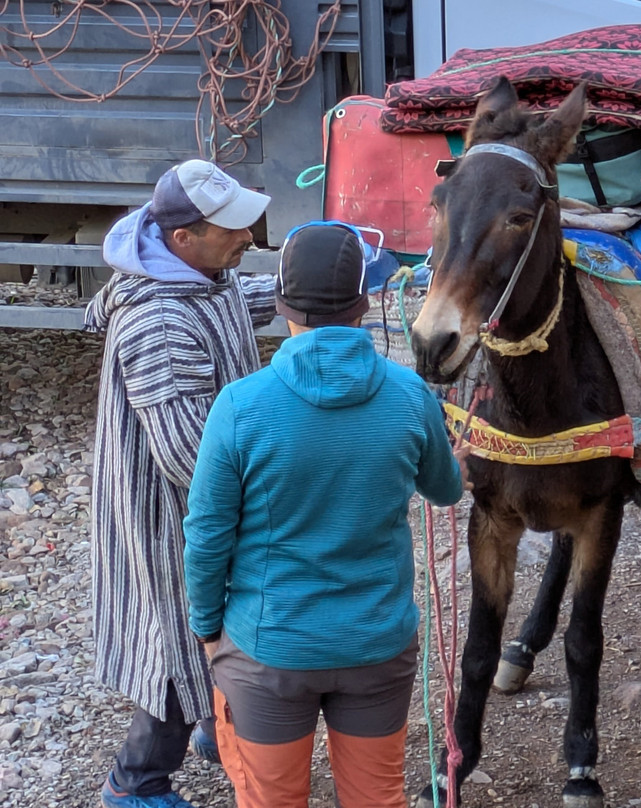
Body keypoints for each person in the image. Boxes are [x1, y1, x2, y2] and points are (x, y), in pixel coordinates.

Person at [182, 221, 468, 808]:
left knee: (272, 799)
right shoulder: (410, 396)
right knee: (375, 797)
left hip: (268, 648)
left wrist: (208, 628)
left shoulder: (239, 406)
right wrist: (454, 459)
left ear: (282, 302)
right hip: (377, 641)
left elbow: (207, 536)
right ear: (365, 303)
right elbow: (444, 490)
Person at [85, 159, 276, 808]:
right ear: (182, 238)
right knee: (178, 641)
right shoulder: (159, 325)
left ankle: (214, 725)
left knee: (218, 624)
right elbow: (188, 459)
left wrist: (311, 288)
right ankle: (135, 783)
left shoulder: (198, 275)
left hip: (196, 500)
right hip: (170, 512)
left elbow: (227, 305)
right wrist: (271, 497)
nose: (248, 236)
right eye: (232, 229)